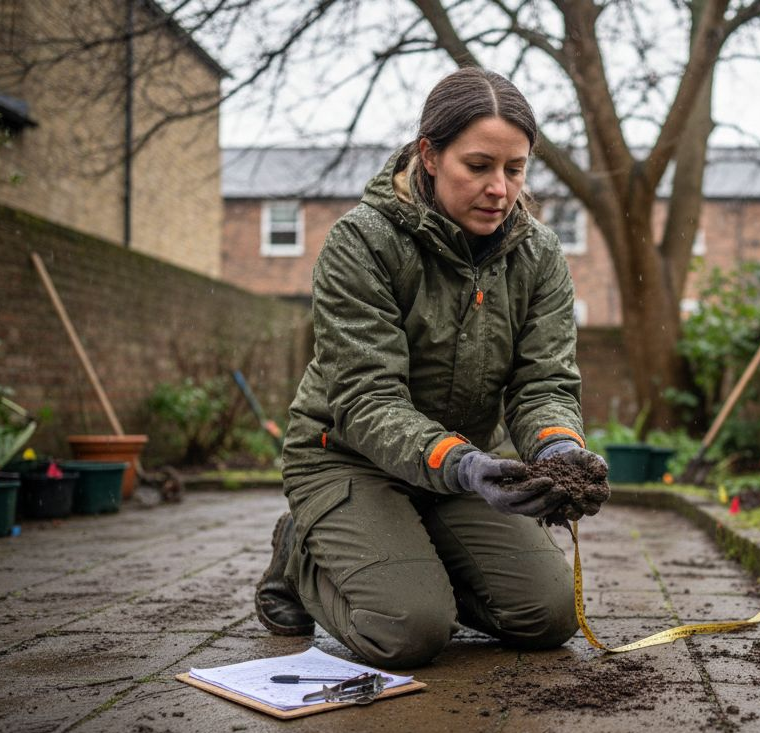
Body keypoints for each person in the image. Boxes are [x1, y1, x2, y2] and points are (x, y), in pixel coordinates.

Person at [254, 68, 610, 671]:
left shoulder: (539, 255)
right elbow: (367, 400)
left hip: (460, 467)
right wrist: (462, 464)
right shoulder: (362, 243)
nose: (499, 188)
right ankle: (301, 552)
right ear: (429, 155)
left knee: (548, 616)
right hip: (349, 457)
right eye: (478, 166)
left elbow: (543, 383)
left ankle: (409, 553)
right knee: (409, 631)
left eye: (515, 169)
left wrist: (558, 449)